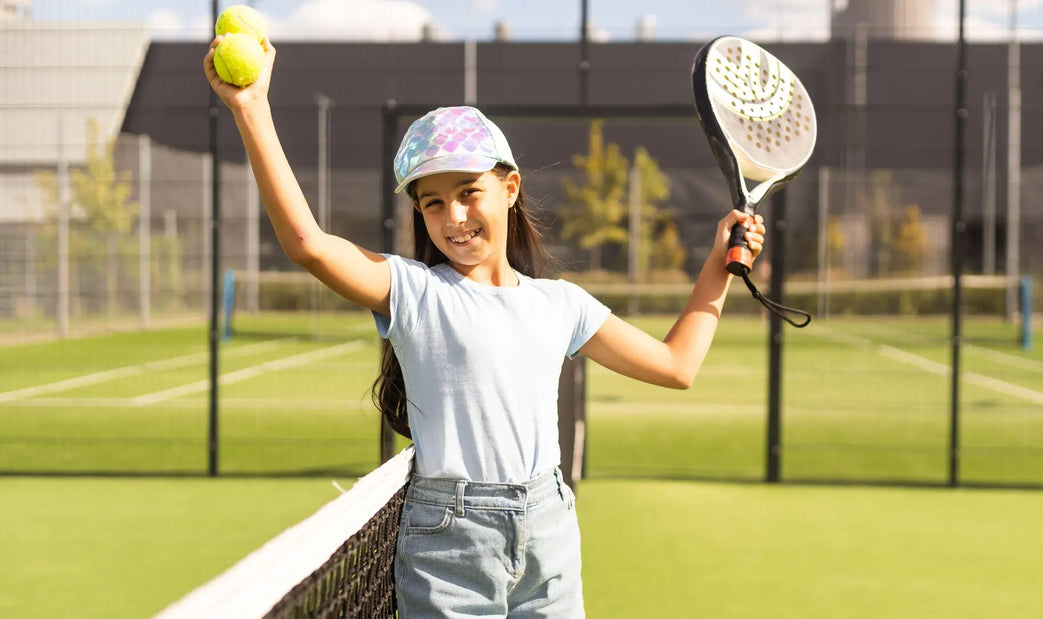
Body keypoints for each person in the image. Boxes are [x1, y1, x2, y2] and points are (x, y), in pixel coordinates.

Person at [205, 36, 765, 619]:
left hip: (549, 534)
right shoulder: (415, 291)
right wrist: (252, 107)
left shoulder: (561, 304)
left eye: (470, 192)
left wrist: (717, 269)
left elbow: (678, 366)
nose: (454, 217)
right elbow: (308, 245)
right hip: (449, 545)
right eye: (433, 203)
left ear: (511, 187)